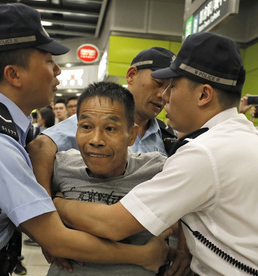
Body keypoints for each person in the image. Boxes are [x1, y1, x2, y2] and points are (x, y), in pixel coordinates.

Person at [0, 4, 171, 276]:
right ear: (14, 74)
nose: (58, 70)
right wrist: (143, 255)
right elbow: (57, 239)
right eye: (49, 61)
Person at [53, 32, 258, 275]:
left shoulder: (204, 152)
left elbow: (113, 224)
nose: (165, 97)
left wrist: (56, 205)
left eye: (173, 87)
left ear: (203, 95)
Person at [47, 81, 172, 276]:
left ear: (132, 135)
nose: (96, 140)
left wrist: (184, 249)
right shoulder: (60, 167)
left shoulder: (157, 171)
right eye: (86, 126)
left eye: (110, 129)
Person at [27, 46, 177, 196]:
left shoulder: (167, 138)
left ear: (132, 134)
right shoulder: (86, 123)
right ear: (131, 75)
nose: (163, 95)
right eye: (158, 83)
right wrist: (46, 208)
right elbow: (40, 146)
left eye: (171, 88)